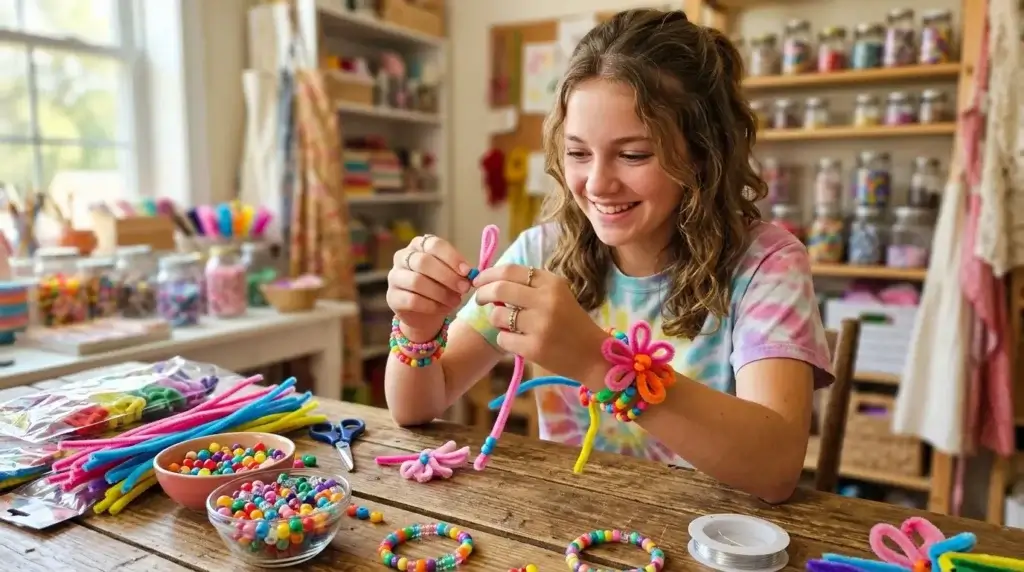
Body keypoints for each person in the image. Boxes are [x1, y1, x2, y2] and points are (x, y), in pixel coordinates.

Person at [382, 8, 833, 504]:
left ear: (705, 154)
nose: (597, 184)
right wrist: (417, 327)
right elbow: (417, 406)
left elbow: (775, 468)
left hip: (708, 530)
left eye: (633, 154)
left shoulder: (766, 264)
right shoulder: (541, 252)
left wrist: (597, 360)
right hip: (564, 522)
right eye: (578, 153)